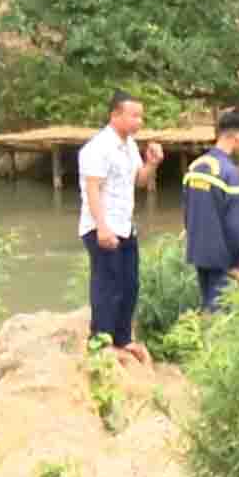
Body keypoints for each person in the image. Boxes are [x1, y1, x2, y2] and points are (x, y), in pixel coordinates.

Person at [79, 90, 165, 363]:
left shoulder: (129, 145)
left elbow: (139, 181)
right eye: (134, 116)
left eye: (141, 116)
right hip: (101, 226)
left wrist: (152, 163)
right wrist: (102, 227)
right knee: (108, 283)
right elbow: (92, 189)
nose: (139, 121)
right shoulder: (98, 147)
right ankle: (100, 340)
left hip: (124, 225)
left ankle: (123, 338)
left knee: (130, 283)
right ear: (115, 114)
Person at [183, 111, 239, 311]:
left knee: (207, 304)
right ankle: (215, 342)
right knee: (221, 311)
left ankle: (202, 340)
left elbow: (187, 209)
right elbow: (236, 225)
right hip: (223, 257)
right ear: (238, 136)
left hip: (198, 251)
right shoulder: (229, 172)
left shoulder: (195, 166)